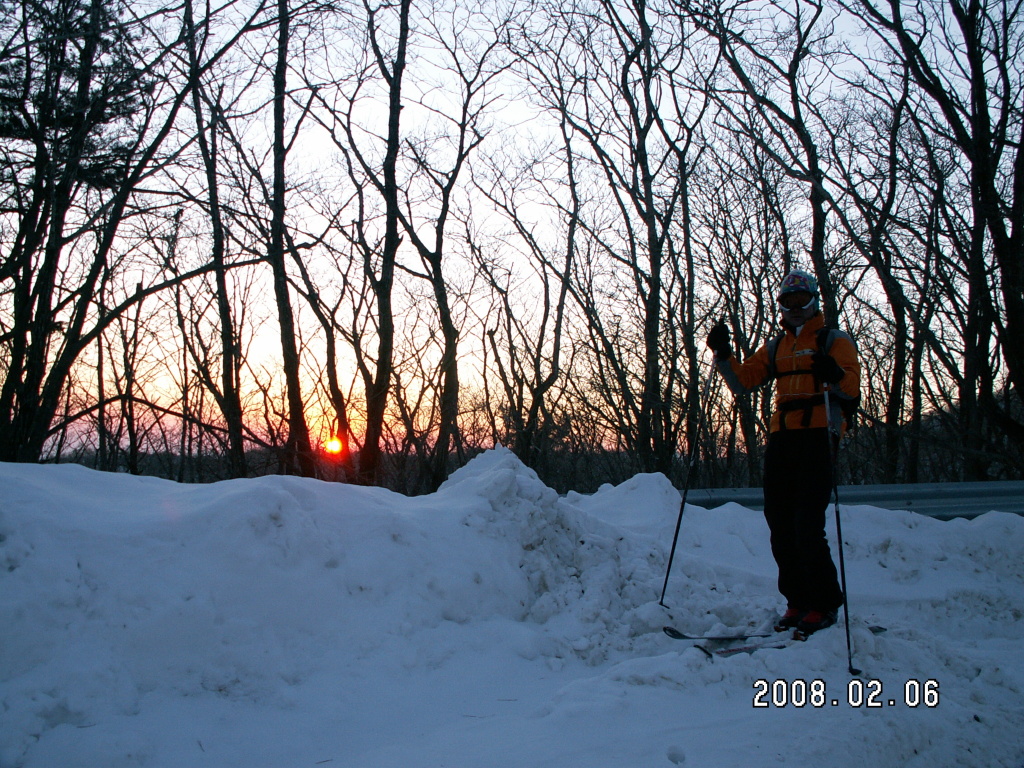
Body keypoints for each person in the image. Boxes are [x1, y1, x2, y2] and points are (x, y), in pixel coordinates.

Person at [705, 269, 861, 637]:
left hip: (820, 434)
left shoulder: (833, 340)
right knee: (779, 522)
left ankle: (823, 604)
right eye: (788, 302)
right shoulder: (776, 346)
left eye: (801, 301)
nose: (794, 308)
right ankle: (797, 601)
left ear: (813, 303)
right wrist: (723, 355)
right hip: (783, 436)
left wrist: (834, 373)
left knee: (807, 523)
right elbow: (743, 382)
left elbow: (852, 388)